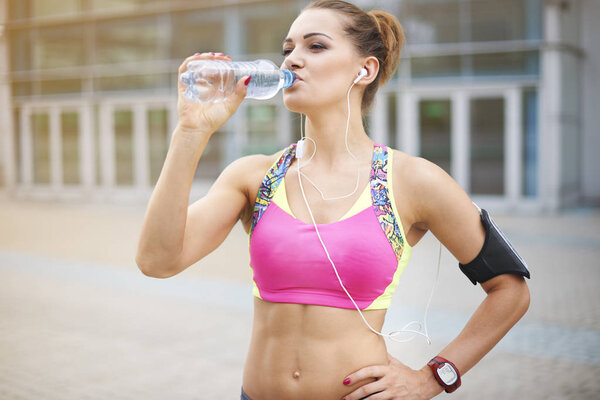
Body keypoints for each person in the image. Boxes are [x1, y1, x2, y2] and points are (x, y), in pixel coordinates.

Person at [136, 1, 531, 399]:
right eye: (288, 48)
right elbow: (157, 261)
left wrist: (433, 377)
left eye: (316, 46)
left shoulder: (412, 180)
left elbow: (510, 290)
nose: (293, 60)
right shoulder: (255, 176)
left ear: (365, 69)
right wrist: (190, 131)